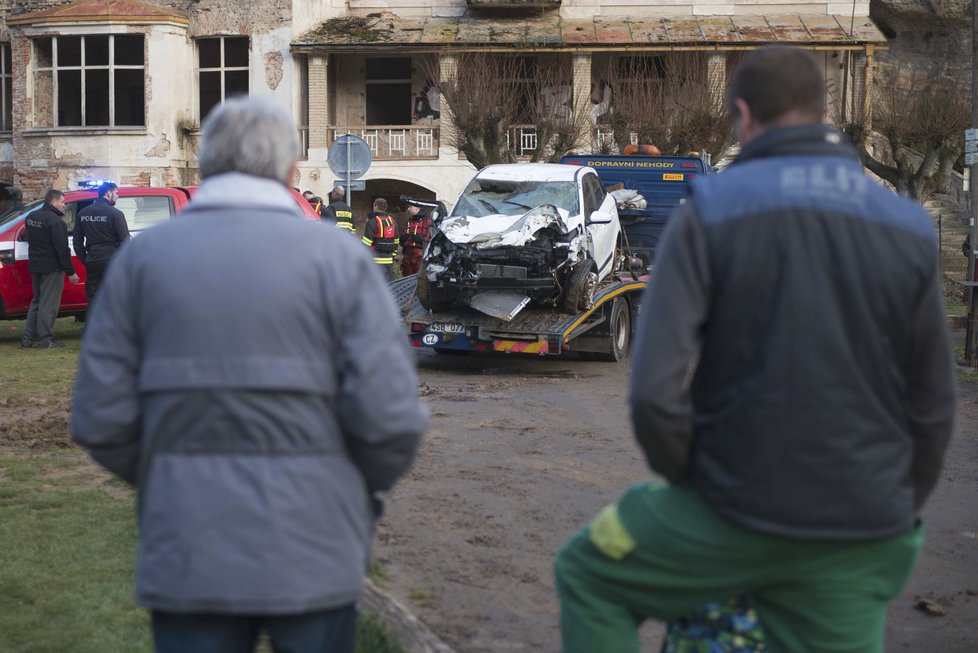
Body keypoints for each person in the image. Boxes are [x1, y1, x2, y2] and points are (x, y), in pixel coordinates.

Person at [555, 46, 957, 653]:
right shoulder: (908, 228)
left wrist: (698, 487)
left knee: (588, 572)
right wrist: (893, 505)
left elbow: (656, 394)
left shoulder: (711, 213)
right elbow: (933, 406)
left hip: (732, 508)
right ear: (824, 113)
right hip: (867, 524)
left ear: (743, 115)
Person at [70, 96, 428, 653]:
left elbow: (100, 417)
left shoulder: (143, 261)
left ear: (206, 165)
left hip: (189, 547)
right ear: (289, 170)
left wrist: (169, 479)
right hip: (316, 545)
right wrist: (352, 490)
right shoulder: (342, 263)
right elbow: (391, 418)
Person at [20, 189, 79, 349]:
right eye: (62, 202)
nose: (64, 205)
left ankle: (27, 339)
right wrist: (71, 271)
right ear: (54, 202)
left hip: (35, 265)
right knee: (49, 304)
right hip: (52, 267)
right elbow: (62, 249)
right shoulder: (56, 222)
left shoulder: (31, 217)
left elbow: (28, 237)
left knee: (37, 301)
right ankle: (45, 339)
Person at [73, 181, 129, 307]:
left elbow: (77, 241)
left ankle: (95, 325)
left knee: (93, 296)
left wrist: (86, 259)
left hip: (93, 259)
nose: (118, 196)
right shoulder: (116, 214)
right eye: (116, 193)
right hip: (112, 260)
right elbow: (125, 241)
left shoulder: (83, 214)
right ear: (108, 194)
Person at [361, 197, 399, 282]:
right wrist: (392, 256)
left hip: (374, 262)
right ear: (386, 207)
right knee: (390, 287)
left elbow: (366, 244)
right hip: (389, 261)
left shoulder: (372, 222)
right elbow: (396, 241)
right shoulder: (393, 222)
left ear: (375, 206)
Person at [400, 202, 429, 277]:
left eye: (410, 206)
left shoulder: (427, 221)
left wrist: (419, 239)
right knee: (406, 278)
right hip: (407, 253)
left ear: (417, 208)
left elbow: (431, 239)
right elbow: (403, 235)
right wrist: (403, 238)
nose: (408, 209)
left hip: (420, 255)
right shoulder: (409, 221)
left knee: (419, 278)